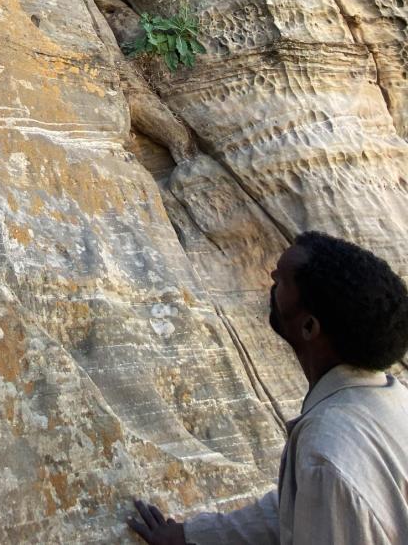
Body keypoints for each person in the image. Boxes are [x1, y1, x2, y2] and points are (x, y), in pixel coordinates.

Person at [128, 231, 408, 545]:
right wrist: (190, 535)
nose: (272, 278)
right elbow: (295, 508)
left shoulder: (326, 455)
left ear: (309, 327)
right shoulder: (392, 398)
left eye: (283, 280)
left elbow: (323, 496)